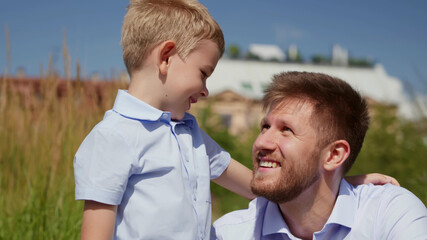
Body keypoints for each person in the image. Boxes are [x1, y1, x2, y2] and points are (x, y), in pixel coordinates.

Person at [74, 1, 398, 239]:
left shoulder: (191, 135)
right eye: (203, 74)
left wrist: (335, 180)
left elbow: (260, 187)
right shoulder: (113, 138)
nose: (205, 90)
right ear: (166, 57)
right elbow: (95, 233)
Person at [211, 72, 427, 240]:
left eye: (286, 129)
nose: (260, 142)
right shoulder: (229, 233)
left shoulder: (389, 214)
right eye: (265, 127)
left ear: (334, 155)